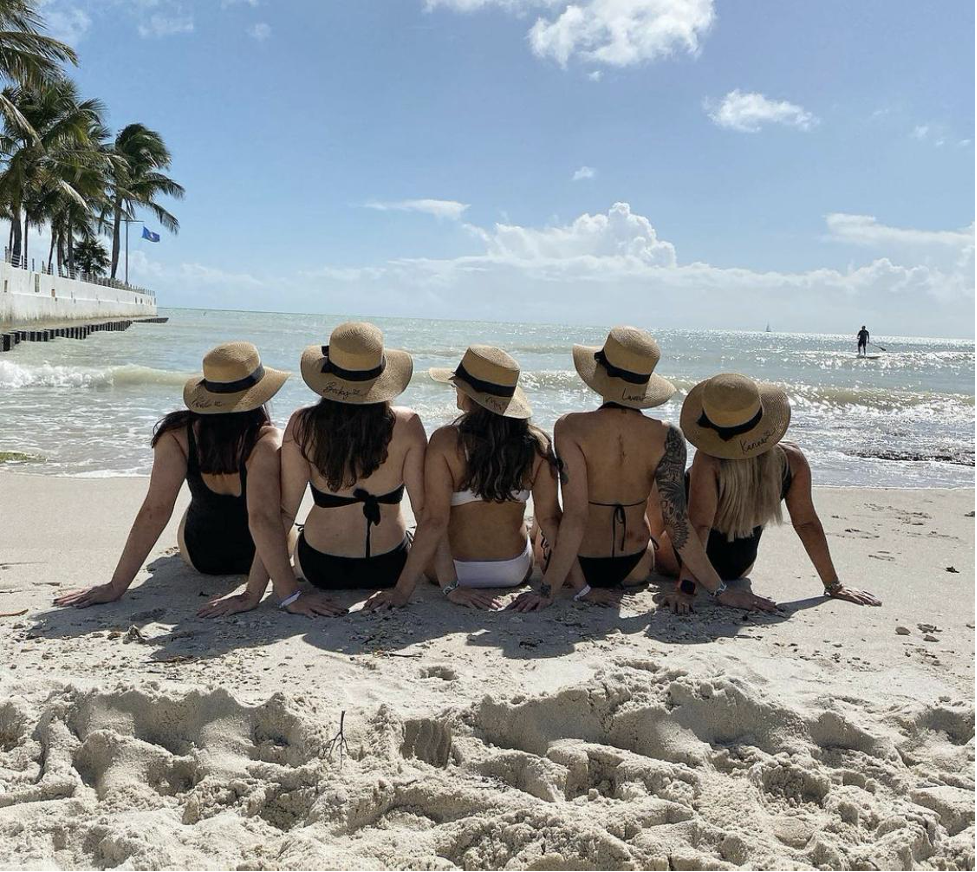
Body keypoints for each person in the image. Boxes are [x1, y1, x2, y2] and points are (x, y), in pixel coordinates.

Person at [514, 326, 777, 611]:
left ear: (600, 375)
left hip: (579, 564)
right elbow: (678, 526)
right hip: (635, 567)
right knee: (653, 496)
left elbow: (576, 517)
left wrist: (547, 590)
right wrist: (720, 590)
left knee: (543, 523)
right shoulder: (668, 436)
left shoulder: (570, 427)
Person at [54, 342, 326, 616]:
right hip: (256, 556)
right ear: (258, 394)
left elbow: (155, 510)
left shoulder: (176, 435)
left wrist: (116, 586)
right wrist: (284, 595)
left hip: (201, 555)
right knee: (275, 514)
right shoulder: (265, 441)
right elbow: (262, 518)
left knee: (193, 507)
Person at [222, 322, 427, 612]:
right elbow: (426, 514)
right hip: (391, 566)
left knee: (294, 532)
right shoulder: (408, 425)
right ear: (381, 376)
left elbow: (284, 514)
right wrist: (406, 591)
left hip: (320, 567)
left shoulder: (303, 425)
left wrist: (254, 592)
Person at [655, 373, 881, 614]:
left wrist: (687, 589)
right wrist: (833, 584)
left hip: (677, 561)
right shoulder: (792, 460)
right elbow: (806, 523)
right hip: (739, 566)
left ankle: (646, 543)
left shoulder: (708, 460)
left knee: (660, 483)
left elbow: (700, 526)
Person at [363, 345, 566, 610]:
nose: (455, 390)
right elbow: (553, 521)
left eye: (457, 385)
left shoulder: (446, 441)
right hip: (512, 571)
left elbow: (434, 521)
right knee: (541, 523)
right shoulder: (537, 446)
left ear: (470, 395)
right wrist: (561, 590)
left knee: (426, 528)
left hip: (449, 573)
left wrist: (406, 593)